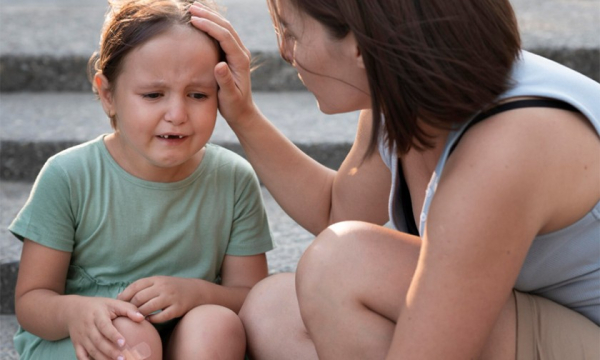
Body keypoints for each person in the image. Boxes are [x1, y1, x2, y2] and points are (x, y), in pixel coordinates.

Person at [189, 0, 600, 359]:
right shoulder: (405, 95)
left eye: (291, 33)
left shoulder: (504, 151)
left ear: (359, 46)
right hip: (541, 317)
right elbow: (337, 210)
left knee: (342, 264)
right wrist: (242, 114)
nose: (284, 51)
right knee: (272, 309)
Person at [9, 1, 273, 359]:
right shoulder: (68, 176)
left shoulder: (233, 178)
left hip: (181, 335)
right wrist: (76, 313)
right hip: (86, 338)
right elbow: (31, 301)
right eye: (153, 95)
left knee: (218, 325)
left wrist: (196, 293)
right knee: (131, 336)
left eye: (198, 95)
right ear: (107, 95)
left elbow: (252, 294)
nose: (177, 115)